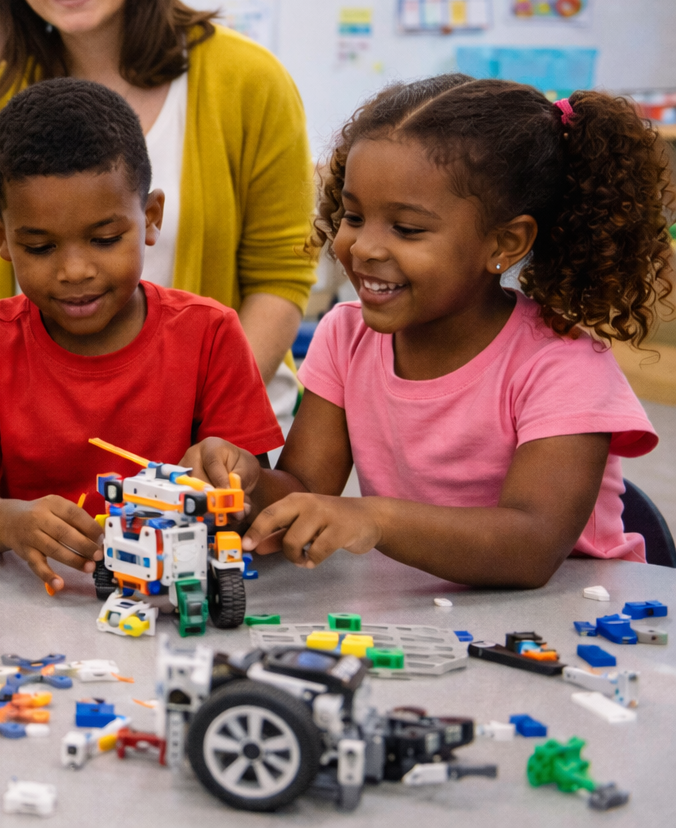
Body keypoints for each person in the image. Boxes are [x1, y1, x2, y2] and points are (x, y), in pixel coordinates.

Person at [194, 76, 672, 587]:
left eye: (407, 229)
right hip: (433, 617)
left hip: (580, 620)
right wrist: (244, 483)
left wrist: (375, 517)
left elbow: (530, 547)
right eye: (354, 216)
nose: (363, 248)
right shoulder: (346, 336)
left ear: (505, 243)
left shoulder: (563, 365)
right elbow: (304, 489)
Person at [0, 0, 315, 417]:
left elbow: (281, 274)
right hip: (45, 432)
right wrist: (3, 412)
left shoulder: (248, 80)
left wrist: (200, 414)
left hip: (214, 434)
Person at [0, 79, 285, 592]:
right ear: (1, 236)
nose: (75, 270)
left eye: (105, 240)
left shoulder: (209, 333)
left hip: (172, 597)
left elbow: (249, 504)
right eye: (40, 248)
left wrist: (235, 475)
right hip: (32, 609)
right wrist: (10, 520)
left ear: (150, 218)